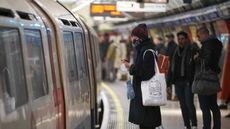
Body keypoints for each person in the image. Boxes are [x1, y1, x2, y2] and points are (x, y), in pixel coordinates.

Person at [122, 23, 162, 129]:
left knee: (147, 124)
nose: (132, 39)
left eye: (133, 36)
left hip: (147, 95)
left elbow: (146, 74)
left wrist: (131, 67)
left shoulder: (147, 51)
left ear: (139, 38)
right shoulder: (142, 50)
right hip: (143, 96)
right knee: (144, 124)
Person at [168, 31, 197, 129]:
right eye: (179, 39)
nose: (180, 41)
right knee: (182, 105)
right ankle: (187, 125)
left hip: (187, 82)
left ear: (187, 39)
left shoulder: (191, 49)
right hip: (177, 82)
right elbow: (170, 69)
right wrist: (169, 84)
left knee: (189, 103)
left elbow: (195, 65)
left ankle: (194, 124)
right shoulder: (175, 52)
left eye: (182, 39)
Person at [195, 27, 223, 129]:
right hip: (213, 78)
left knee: (205, 107)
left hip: (204, 80)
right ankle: (217, 126)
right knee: (214, 106)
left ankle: (206, 127)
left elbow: (206, 61)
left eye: (198, 36)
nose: (198, 38)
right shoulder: (217, 44)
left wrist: (197, 58)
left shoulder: (207, 45)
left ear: (204, 34)